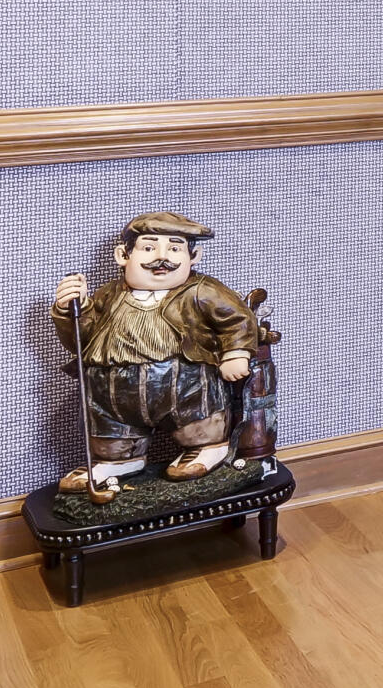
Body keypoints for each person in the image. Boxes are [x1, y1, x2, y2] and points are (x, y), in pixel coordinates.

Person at [50, 211, 258, 503]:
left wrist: (236, 353)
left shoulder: (201, 291)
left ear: (194, 256)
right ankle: (119, 458)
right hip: (113, 395)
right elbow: (80, 340)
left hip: (184, 386)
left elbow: (238, 319)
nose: (162, 257)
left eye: (174, 248)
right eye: (148, 248)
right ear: (123, 255)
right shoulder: (109, 295)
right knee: (110, 426)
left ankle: (206, 447)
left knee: (197, 416)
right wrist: (72, 310)